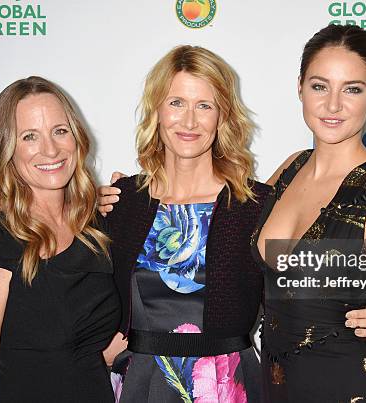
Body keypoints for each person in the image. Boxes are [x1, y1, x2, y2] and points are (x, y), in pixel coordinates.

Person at [251, 24, 366, 401]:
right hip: (274, 387)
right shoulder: (289, 169)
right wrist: (119, 198)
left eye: (352, 89)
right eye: (319, 86)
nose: (333, 105)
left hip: (349, 386)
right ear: (299, 87)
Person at [104, 45, 270, 403]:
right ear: (157, 111)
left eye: (204, 106)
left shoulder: (257, 206)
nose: (189, 121)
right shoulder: (123, 201)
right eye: (176, 103)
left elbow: (299, 296)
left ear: (223, 117)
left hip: (226, 386)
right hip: (139, 385)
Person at [0, 76, 120, 403]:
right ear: (6, 149)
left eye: (60, 131)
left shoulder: (96, 229)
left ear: (77, 138)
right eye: (30, 137)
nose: (51, 149)